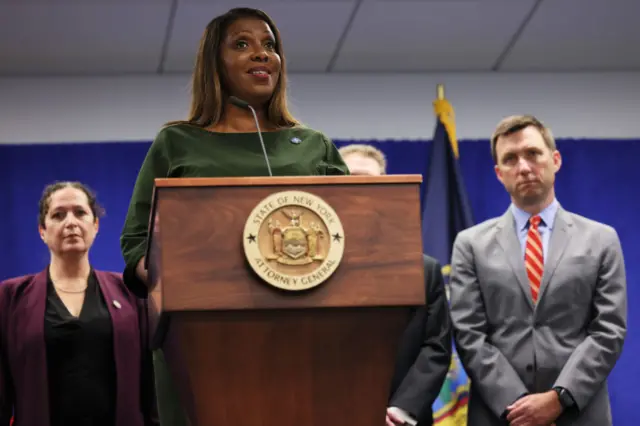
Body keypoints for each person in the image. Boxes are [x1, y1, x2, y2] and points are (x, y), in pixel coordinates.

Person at [120, 7, 349, 426]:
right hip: (203, 343)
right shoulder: (177, 142)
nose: (262, 55)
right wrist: (160, 269)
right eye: (242, 44)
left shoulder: (313, 146)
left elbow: (354, 231)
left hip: (307, 338)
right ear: (215, 63)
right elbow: (136, 240)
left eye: (269, 46)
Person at [448, 115, 627, 426]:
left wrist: (560, 398)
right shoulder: (470, 244)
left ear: (555, 160)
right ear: (498, 173)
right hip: (500, 416)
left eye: (533, 153)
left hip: (578, 412)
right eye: (511, 159)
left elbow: (608, 330)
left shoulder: (601, 239)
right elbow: (469, 335)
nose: (524, 167)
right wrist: (518, 407)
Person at [0, 182, 157, 426]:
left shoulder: (131, 293)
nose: (70, 222)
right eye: (58, 215)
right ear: (42, 230)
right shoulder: (10, 298)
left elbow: (152, 384)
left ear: (95, 225)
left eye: (80, 212)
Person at [339, 144, 452, 426]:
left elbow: (435, 347)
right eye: (348, 180)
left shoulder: (423, 270)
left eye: (370, 182)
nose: (359, 192)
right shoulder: (305, 270)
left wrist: (402, 409)